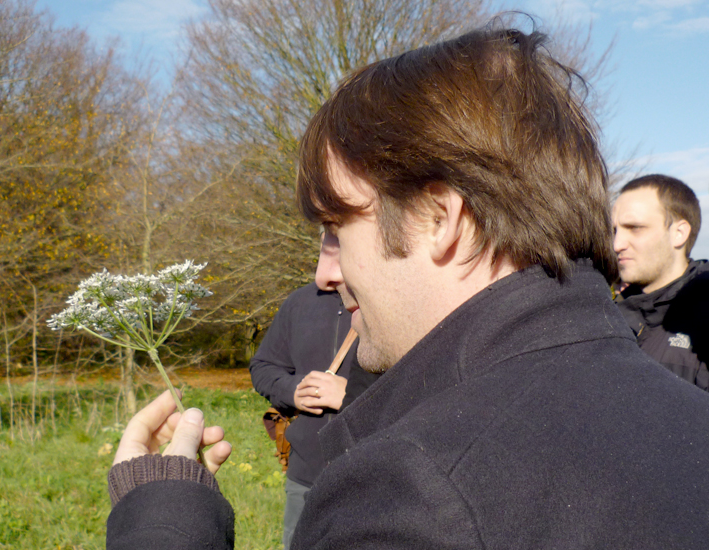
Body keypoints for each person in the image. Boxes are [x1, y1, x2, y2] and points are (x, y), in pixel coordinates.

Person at [105, 25, 709, 549]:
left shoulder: (411, 498)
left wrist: (162, 522)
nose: (324, 273)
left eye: (338, 229)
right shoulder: (690, 418)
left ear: (438, 219)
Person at [250, 268, 378, 549]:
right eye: (324, 245)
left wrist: (350, 395)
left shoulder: (392, 299)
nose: (323, 272)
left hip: (375, 477)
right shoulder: (300, 302)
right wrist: (292, 391)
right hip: (306, 475)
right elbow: (263, 366)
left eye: (336, 244)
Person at [612, 174, 708, 388]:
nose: (617, 244)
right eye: (615, 231)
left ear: (679, 233)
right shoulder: (610, 318)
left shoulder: (703, 325)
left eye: (635, 227)